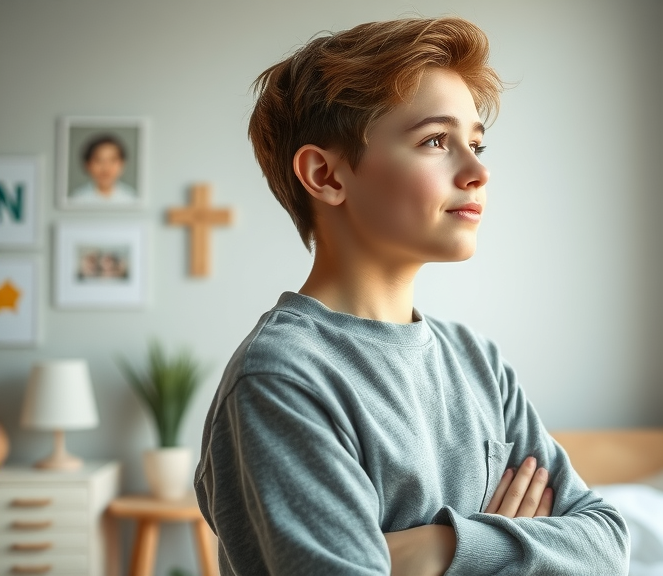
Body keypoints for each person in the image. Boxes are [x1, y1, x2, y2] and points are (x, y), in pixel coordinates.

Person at [194, 16, 630, 576]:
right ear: (325, 175)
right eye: (434, 141)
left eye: (475, 142)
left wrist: (438, 551)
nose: (478, 170)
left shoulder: (479, 364)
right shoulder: (282, 379)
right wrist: (516, 546)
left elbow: (605, 546)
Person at [68, 134, 137, 204]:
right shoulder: (76, 199)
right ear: (87, 164)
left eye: (112, 160)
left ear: (122, 163)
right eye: (99, 160)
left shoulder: (132, 199)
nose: (106, 168)